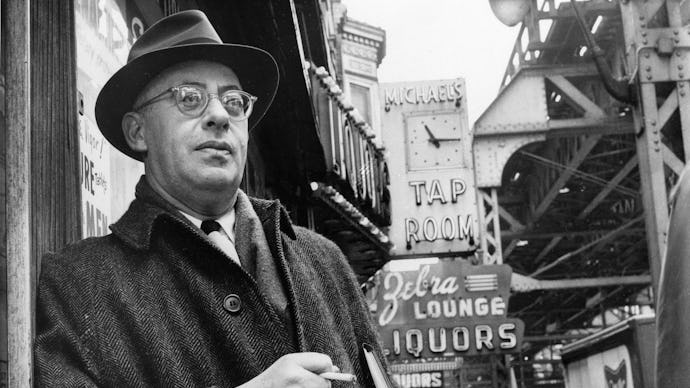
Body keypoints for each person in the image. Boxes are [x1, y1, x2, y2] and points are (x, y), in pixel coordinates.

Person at [34, 10, 385, 387]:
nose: (219, 115)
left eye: (234, 101)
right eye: (189, 97)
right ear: (138, 132)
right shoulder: (80, 283)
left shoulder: (325, 262)